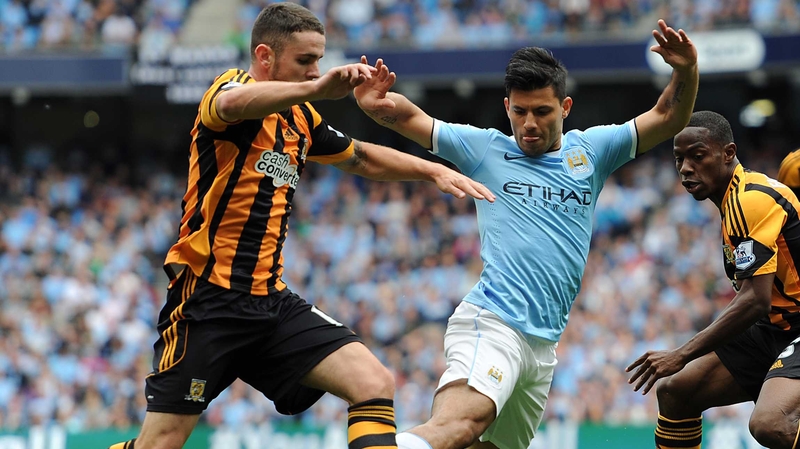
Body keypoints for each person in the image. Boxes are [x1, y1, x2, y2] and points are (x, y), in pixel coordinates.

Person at [107, 3, 494, 449]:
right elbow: (232, 103)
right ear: (265, 56)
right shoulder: (230, 89)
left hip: (270, 302)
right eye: (305, 61)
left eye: (319, 61)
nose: (315, 71)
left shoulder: (301, 119)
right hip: (209, 302)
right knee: (160, 444)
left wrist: (433, 170)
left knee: (372, 381)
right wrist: (318, 88)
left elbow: (361, 157)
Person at [355, 19, 698, 449]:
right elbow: (412, 117)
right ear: (507, 107)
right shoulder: (485, 149)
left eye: (542, 111)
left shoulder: (592, 151)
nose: (529, 123)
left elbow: (667, 116)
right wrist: (375, 104)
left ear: (565, 107)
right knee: (460, 423)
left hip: (542, 346)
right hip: (493, 321)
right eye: (519, 112)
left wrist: (686, 70)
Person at [627, 111, 800, 449]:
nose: (685, 168)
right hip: (776, 327)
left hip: (792, 324)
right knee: (676, 391)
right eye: (679, 159)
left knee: (770, 423)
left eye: (697, 156)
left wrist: (682, 353)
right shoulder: (731, 201)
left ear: (728, 153)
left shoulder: (749, 199)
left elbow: (755, 300)